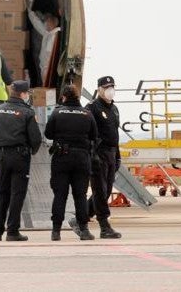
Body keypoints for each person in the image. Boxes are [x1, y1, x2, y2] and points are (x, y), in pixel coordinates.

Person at [0, 80, 42, 241]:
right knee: (17, 194)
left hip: (1, 157)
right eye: (27, 93)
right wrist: (31, 151)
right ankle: (12, 231)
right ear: (23, 94)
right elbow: (36, 138)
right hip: (20, 157)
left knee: (2, 193)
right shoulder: (28, 112)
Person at [44, 85, 98, 241]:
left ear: (64, 97)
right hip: (82, 158)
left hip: (61, 157)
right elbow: (94, 135)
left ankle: (56, 231)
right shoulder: (87, 114)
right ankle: (84, 230)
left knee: (60, 195)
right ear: (77, 97)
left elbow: (48, 133)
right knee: (80, 196)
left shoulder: (57, 113)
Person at [83, 75, 122, 239]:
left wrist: (118, 156)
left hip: (112, 154)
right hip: (98, 154)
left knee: (105, 192)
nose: (109, 90)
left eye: (112, 87)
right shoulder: (92, 108)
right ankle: (104, 226)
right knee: (100, 190)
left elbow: (115, 133)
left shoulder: (114, 109)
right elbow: (87, 134)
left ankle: (81, 217)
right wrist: (92, 155)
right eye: (106, 87)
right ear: (99, 89)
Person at [27, 0, 61, 88]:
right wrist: (29, 11)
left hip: (49, 69)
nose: (45, 24)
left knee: (47, 88)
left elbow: (50, 55)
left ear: (52, 24)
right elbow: (37, 24)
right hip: (44, 67)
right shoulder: (48, 33)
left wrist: (47, 68)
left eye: (47, 22)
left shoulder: (55, 36)